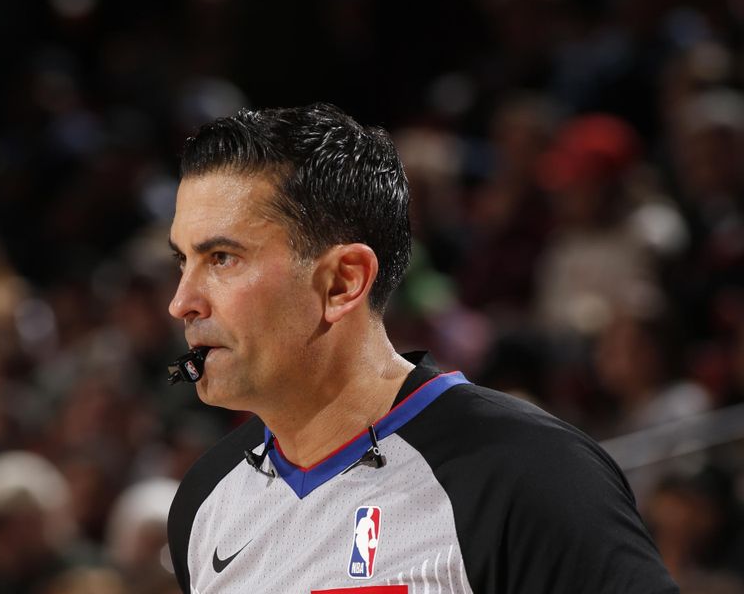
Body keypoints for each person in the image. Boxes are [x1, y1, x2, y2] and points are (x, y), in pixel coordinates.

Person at [165, 103, 677, 593]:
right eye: (182, 261)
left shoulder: (531, 474)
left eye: (222, 258)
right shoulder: (204, 498)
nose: (182, 301)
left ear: (343, 283)